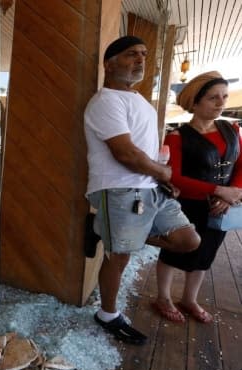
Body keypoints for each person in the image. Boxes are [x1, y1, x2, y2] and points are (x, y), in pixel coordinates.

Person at [84, 36, 201, 345]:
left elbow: (144, 151)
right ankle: (107, 314)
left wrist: (161, 178)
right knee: (119, 257)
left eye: (144, 54)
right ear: (109, 64)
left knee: (188, 240)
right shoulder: (106, 101)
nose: (140, 59)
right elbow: (125, 154)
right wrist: (163, 171)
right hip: (120, 190)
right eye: (131, 54)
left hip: (151, 188)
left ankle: (102, 228)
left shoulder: (139, 101)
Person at [153, 71, 242, 324]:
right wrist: (217, 191)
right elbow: (175, 178)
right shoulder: (178, 137)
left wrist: (230, 193)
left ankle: (189, 299)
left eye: (224, 97)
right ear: (195, 102)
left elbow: (241, 165)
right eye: (213, 98)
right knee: (173, 253)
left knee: (207, 253)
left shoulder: (232, 129)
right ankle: (163, 297)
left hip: (221, 208)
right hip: (187, 205)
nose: (221, 103)